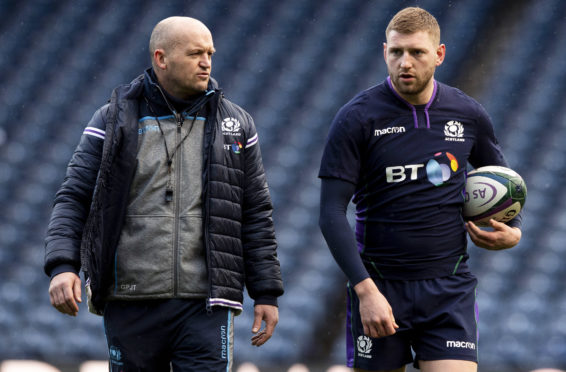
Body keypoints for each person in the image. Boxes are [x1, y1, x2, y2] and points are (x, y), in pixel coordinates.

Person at [44, 16, 284, 372]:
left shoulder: (236, 124)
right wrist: (63, 266)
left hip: (207, 305)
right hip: (130, 300)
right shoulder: (112, 120)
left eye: (210, 53)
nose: (207, 62)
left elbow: (255, 213)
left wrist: (266, 292)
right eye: (195, 54)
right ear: (161, 58)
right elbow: (75, 196)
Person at [318, 7, 522, 372]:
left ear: (439, 54)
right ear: (385, 52)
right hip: (380, 288)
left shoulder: (467, 114)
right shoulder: (356, 118)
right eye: (396, 53)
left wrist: (513, 230)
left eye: (417, 52)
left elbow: (505, 182)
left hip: (449, 290)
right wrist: (365, 291)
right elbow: (331, 213)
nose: (405, 63)